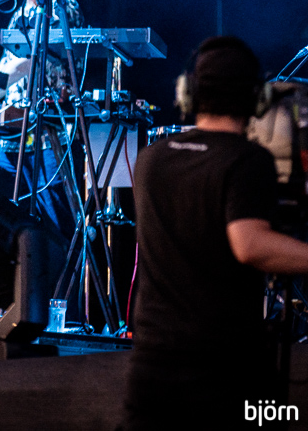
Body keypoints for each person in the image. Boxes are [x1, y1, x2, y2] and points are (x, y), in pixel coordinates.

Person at [122, 36, 308, 429]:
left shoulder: (151, 159)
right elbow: (250, 245)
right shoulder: (247, 160)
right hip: (220, 372)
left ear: (188, 93)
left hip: (150, 368)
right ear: (257, 99)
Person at [0, 0, 83, 243]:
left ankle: (60, 276)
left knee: (55, 227)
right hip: (12, 132)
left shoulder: (62, 5)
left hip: (50, 133)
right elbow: (8, 73)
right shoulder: (17, 14)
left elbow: (33, 60)